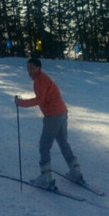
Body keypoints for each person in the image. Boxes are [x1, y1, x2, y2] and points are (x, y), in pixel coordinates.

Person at [15, 58, 83, 189]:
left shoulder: (40, 80)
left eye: (32, 68)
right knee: (63, 144)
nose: (29, 71)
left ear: (38, 68)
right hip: (61, 112)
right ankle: (75, 171)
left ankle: (46, 178)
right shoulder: (42, 78)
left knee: (44, 146)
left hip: (53, 115)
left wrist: (21, 103)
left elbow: (40, 99)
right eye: (27, 68)